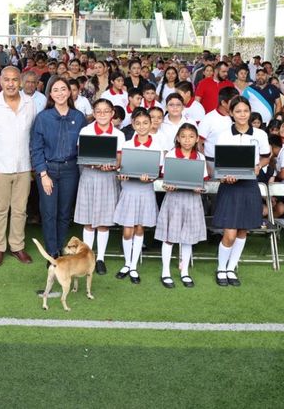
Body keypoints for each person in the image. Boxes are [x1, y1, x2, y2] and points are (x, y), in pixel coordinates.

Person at [212, 96, 270, 287]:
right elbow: (219, 163)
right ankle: (221, 268)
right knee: (229, 233)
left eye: (245, 111)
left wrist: (257, 167)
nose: (242, 115)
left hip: (249, 185)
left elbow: (266, 157)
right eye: (238, 111)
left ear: (250, 111)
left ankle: (231, 268)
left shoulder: (260, 134)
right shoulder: (223, 135)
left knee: (243, 230)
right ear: (231, 113)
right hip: (229, 186)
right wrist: (224, 176)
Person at [0, 67, 36, 267]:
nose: (11, 84)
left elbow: (32, 136)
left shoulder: (29, 104)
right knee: (0, 209)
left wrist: (32, 165)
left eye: (14, 80)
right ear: (1, 82)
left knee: (20, 210)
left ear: (20, 82)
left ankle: (17, 247)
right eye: (7, 80)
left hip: (23, 166)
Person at [30, 77, 85, 259]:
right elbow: (36, 148)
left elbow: (83, 147)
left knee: (64, 213)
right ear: (50, 94)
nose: (60, 93)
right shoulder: (43, 118)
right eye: (55, 90)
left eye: (63, 89)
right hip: (48, 170)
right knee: (49, 212)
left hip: (70, 170)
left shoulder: (78, 118)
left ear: (70, 92)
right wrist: (43, 174)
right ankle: (52, 253)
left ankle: (60, 249)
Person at [155, 123, 207, 288]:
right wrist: (168, 185)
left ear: (197, 139)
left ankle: (184, 272)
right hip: (174, 199)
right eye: (183, 136)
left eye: (191, 136)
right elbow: (165, 178)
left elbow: (203, 180)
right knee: (170, 237)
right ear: (178, 138)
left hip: (192, 200)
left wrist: (200, 188)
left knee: (188, 238)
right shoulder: (171, 154)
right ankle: (165, 272)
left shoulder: (200, 157)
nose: (187, 140)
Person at [113, 107, 162, 283]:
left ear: (151, 124)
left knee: (139, 228)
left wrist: (149, 177)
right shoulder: (126, 145)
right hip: (129, 191)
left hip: (145, 191)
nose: (142, 127)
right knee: (127, 230)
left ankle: (133, 266)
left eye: (145, 123)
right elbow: (120, 168)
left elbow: (157, 172)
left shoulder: (156, 146)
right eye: (138, 123)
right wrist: (123, 174)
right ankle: (127, 263)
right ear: (133, 124)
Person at [75, 98, 123, 275]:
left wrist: (113, 166)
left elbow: (119, 159)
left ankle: (100, 258)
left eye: (106, 111)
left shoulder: (118, 134)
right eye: (99, 111)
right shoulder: (86, 130)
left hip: (108, 178)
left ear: (112, 114)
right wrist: (94, 164)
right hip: (89, 177)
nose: (102, 114)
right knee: (88, 220)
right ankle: (87, 257)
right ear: (94, 113)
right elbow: (82, 156)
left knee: (104, 221)